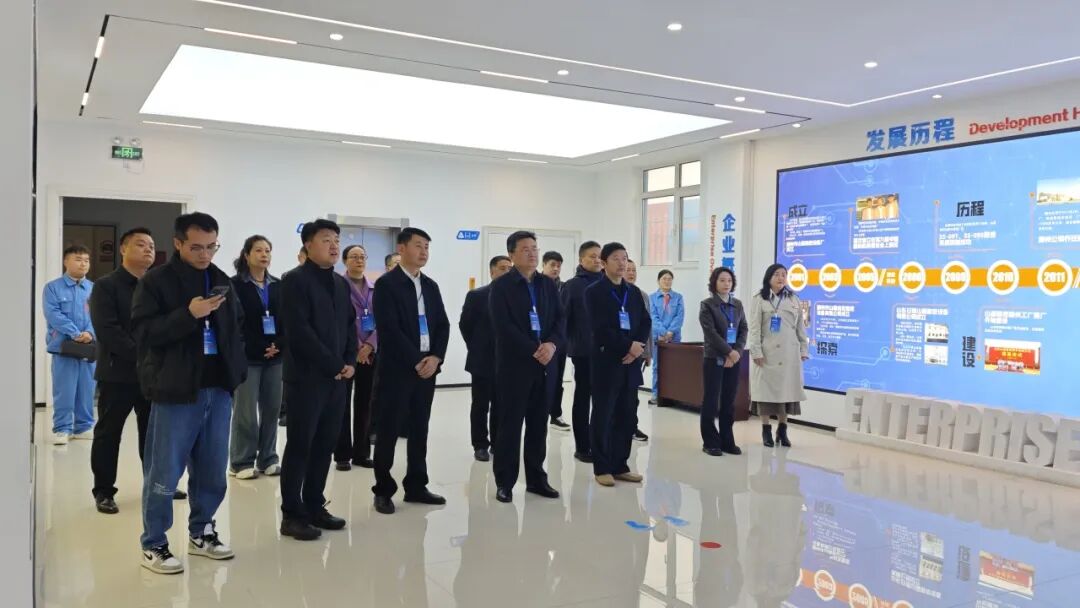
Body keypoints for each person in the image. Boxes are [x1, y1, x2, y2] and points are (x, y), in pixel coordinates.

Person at [132, 212, 245, 574]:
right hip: (176, 391)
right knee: (164, 471)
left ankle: (202, 531)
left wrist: (236, 372)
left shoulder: (222, 279)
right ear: (178, 243)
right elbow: (144, 333)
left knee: (212, 469)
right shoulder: (156, 281)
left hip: (218, 389)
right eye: (196, 247)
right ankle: (154, 543)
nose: (204, 254)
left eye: (212, 246)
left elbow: (236, 327)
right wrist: (188, 314)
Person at [89, 228, 185, 513]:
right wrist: (144, 355)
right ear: (123, 249)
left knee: (154, 433)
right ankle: (104, 490)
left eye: (152, 246)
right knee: (109, 433)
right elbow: (108, 331)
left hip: (153, 375)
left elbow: (165, 326)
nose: (148, 250)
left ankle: (157, 483)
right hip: (117, 373)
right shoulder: (106, 286)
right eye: (141, 244)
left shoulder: (158, 285)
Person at [278, 219, 357, 541]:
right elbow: (299, 333)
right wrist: (334, 364)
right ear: (308, 245)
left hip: (337, 380)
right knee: (301, 445)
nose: (334, 245)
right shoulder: (294, 282)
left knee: (325, 444)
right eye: (326, 239)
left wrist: (349, 360)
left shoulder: (340, 283)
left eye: (336, 239)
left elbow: (350, 325)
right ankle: (291, 514)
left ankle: (314, 504)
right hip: (306, 379)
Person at [371, 227, 450, 515]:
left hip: (427, 370)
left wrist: (436, 358)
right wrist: (417, 360)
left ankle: (416, 485)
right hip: (397, 370)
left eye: (427, 246)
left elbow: (442, 324)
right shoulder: (386, 285)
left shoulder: (430, 285)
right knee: (389, 430)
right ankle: (383, 490)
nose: (424, 251)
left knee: (420, 428)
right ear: (401, 248)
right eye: (418, 245)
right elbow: (389, 329)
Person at [489, 232, 564, 503]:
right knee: (510, 426)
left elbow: (560, 320)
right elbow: (503, 326)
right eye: (525, 249)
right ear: (512, 254)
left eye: (534, 248)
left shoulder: (548, 284)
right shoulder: (502, 286)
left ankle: (536, 479)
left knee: (538, 425)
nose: (532, 253)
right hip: (515, 367)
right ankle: (505, 482)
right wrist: (534, 349)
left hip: (545, 366)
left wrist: (552, 345)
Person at [585, 242, 650, 487]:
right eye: (616, 258)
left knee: (627, 414)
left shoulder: (633, 292)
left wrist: (637, 347)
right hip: (607, 361)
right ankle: (602, 467)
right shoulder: (594, 292)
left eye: (625, 258)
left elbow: (645, 321)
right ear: (604, 263)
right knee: (604, 414)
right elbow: (599, 328)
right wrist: (627, 346)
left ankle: (620, 464)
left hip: (630, 363)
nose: (622, 263)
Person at [228, 235, 283, 479]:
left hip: (275, 356)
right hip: (247, 357)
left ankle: (268, 458)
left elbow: (287, 319)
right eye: (258, 250)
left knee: (272, 410)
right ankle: (241, 461)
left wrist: (278, 345)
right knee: (246, 412)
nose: (264, 255)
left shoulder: (278, 285)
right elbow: (236, 324)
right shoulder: (234, 285)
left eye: (267, 250)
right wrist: (260, 346)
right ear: (247, 255)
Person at [747, 263, 809, 448]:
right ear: (769, 277)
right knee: (765, 393)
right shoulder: (760, 299)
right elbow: (755, 328)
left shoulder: (793, 299)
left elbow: (800, 328)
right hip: (767, 354)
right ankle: (766, 430)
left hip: (789, 354)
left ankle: (782, 430)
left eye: (784, 274)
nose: (781, 278)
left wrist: (804, 350)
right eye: (777, 274)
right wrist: (756, 351)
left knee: (787, 393)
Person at [459, 255, 513, 462]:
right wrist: (476, 347)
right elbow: (465, 325)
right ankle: (480, 444)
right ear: (492, 272)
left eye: (510, 268)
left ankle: (498, 443)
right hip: (482, 359)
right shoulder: (477, 296)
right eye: (502, 268)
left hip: (507, 361)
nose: (507, 272)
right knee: (480, 405)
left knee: (502, 404)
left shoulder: (515, 297)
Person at [44, 245, 97, 445]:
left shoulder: (94, 288)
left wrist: (89, 333)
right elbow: (53, 314)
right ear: (66, 261)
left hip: (88, 347)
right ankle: (62, 429)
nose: (83, 264)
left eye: (86, 260)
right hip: (63, 347)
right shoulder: (52, 288)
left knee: (87, 389)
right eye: (78, 259)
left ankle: (83, 427)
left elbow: (100, 314)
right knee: (64, 390)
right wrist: (75, 333)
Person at [335, 244, 378, 471]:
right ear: (345, 260)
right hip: (346, 354)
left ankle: (362, 453)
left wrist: (370, 345)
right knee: (342, 404)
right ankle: (342, 454)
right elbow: (339, 321)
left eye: (362, 256)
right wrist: (358, 347)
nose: (359, 260)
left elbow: (382, 319)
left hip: (370, 354)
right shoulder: (338, 286)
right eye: (354, 257)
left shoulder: (375, 288)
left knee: (365, 403)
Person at [560, 240, 603, 462]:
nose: (597, 260)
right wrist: (567, 345)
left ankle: (600, 443)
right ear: (581, 259)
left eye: (599, 256)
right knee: (583, 398)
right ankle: (583, 446)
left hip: (607, 352)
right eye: (592, 256)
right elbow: (563, 318)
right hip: (584, 351)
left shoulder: (608, 282)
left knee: (603, 400)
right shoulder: (573, 285)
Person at [699, 267, 747, 457]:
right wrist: (728, 352)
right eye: (722, 280)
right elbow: (710, 333)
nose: (726, 284)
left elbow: (743, 329)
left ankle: (727, 440)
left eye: (729, 280)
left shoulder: (737, 305)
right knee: (711, 400)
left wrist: (737, 352)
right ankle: (710, 441)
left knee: (729, 400)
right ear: (714, 283)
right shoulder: (707, 305)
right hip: (714, 358)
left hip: (734, 359)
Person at [278, 246, 308, 428]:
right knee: (289, 377)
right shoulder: (290, 277)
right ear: (300, 257)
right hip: (291, 337)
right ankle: (285, 411)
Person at [541, 251, 571, 432]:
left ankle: (556, 414)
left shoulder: (565, 287)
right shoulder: (537, 285)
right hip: (543, 342)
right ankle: (541, 414)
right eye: (552, 265)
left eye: (559, 265)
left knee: (558, 379)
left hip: (561, 341)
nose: (556, 268)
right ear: (543, 265)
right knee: (546, 381)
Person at [649, 269, 684, 404]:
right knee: (657, 366)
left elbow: (679, 317)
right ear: (658, 281)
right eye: (664, 278)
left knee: (674, 366)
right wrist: (663, 332)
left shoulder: (678, 297)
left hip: (674, 337)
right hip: (658, 338)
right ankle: (656, 394)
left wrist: (670, 332)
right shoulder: (652, 298)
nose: (667, 281)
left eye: (669, 279)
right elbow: (653, 317)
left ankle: (673, 394)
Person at [624, 259, 650, 442]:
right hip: (619, 351)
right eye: (628, 270)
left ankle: (632, 427)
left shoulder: (642, 295)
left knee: (633, 395)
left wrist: (647, 353)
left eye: (634, 270)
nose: (631, 273)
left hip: (638, 351)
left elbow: (647, 325)